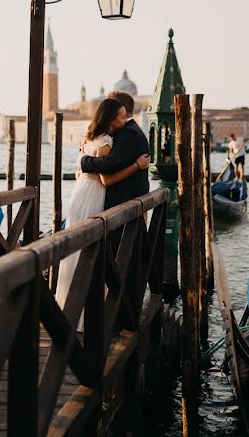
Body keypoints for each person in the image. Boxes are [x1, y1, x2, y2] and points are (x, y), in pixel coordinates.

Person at [54, 98, 150, 330]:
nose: (124, 120)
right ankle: (89, 314)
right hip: (94, 197)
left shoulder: (87, 138)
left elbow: (86, 166)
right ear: (109, 118)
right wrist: (137, 166)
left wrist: (81, 160)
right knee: (92, 254)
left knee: (76, 249)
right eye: (120, 116)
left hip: (79, 196)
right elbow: (106, 177)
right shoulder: (107, 141)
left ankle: (67, 308)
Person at [79, 91, 151, 210]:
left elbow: (109, 164)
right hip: (128, 201)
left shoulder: (127, 133)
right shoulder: (129, 130)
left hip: (124, 202)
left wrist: (83, 160)